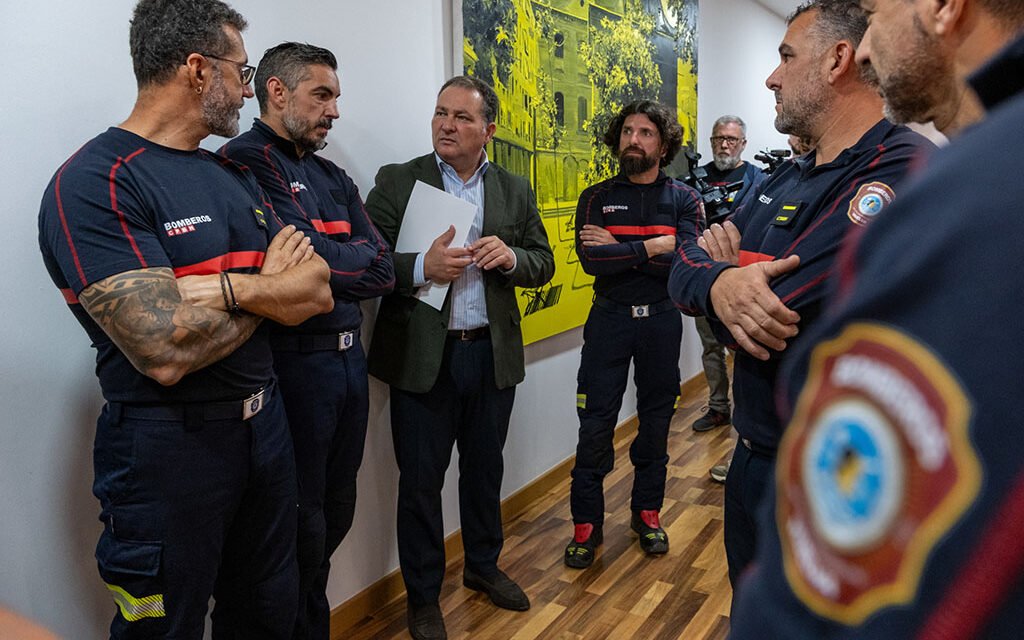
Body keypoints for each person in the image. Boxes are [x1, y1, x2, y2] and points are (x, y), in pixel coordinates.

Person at [36, 1, 333, 638]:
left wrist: (219, 290)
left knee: (267, 617)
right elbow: (163, 348)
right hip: (169, 451)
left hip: (266, 430)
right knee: (163, 629)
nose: (249, 87)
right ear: (198, 70)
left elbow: (315, 289)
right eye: (241, 69)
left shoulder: (230, 174)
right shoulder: (95, 182)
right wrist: (266, 291)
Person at [729, 4, 1024, 638]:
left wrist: (725, 277)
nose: (865, 51)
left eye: (877, 11)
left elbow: (830, 600)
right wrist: (715, 278)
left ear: (944, 9)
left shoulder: (976, 195)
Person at [668, 0, 934, 591]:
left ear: (838, 60)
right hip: (754, 455)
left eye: (786, 56)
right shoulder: (786, 176)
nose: (772, 76)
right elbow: (687, 264)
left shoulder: (902, 167)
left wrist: (722, 271)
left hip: (837, 479)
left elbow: (780, 303)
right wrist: (719, 280)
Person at [364, 75, 554, 640]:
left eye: (461, 117)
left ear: (488, 130)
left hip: (489, 358)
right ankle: (423, 598)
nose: (447, 125)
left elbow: (543, 261)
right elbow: (365, 261)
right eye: (441, 114)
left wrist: (512, 257)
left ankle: (482, 567)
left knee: (483, 471)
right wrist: (423, 266)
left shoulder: (515, 189)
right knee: (421, 483)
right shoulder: (399, 182)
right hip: (425, 360)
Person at [218, 42, 395, 640]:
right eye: (322, 95)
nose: (334, 112)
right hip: (293, 367)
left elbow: (380, 271)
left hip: (348, 364)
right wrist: (331, 260)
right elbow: (311, 274)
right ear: (277, 91)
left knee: (332, 515)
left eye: (336, 97)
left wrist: (322, 255)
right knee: (295, 527)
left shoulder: (330, 173)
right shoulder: (243, 161)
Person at [563, 101, 701, 569]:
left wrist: (625, 249)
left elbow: (688, 261)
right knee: (595, 424)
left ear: (663, 144)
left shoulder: (684, 199)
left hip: (662, 322)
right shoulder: (597, 197)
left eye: (645, 133)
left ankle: (647, 513)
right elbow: (591, 262)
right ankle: (586, 524)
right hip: (609, 322)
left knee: (657, 420)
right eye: (627, 131)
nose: (633, 140)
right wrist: (654, 245)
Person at [691, 116, 768, 434]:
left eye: (732, 140)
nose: (724, 144)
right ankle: (719, 407)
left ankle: (748, 413)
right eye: (719, 138)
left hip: (746, 276)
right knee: (711, 346)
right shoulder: (694, 180)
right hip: (705, 277)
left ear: (743, 144)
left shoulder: (760, 179)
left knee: (746, 347)